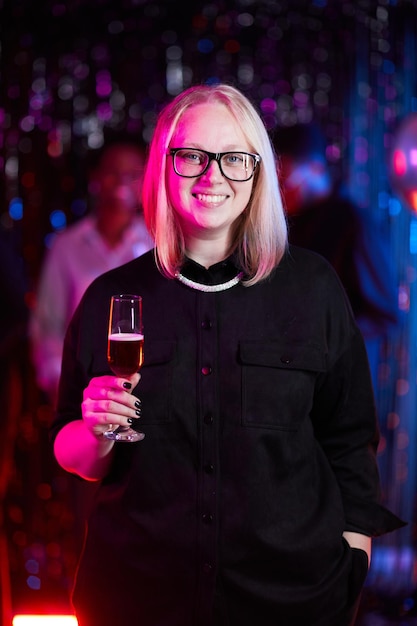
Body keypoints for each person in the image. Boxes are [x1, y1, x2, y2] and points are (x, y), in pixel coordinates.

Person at [50, 83, 405, 626]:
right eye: (191, 155)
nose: (212, 176)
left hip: (292, 604)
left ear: (257, 173)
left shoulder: (312, 288)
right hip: (138, 601)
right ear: (165, 167)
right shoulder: (110, 296)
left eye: (234, 158)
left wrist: (352, 563)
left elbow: (350, 440)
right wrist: (94, 431)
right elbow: (74, 455)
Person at [272, 123, 401, 393]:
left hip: (341, 387)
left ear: (317, 169)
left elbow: (383, 314)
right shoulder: (286, 225)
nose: (280, 193)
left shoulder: (353, 222)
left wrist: (325, 338)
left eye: (285, 182)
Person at [30, 138, 154, 406]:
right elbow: (48, 325)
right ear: (95, 177)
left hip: (146, 392)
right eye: (113, 171)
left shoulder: (157, 243)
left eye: (133, 174)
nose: (122, 181)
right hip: (80, 390)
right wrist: (56, 385)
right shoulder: (67, 246)